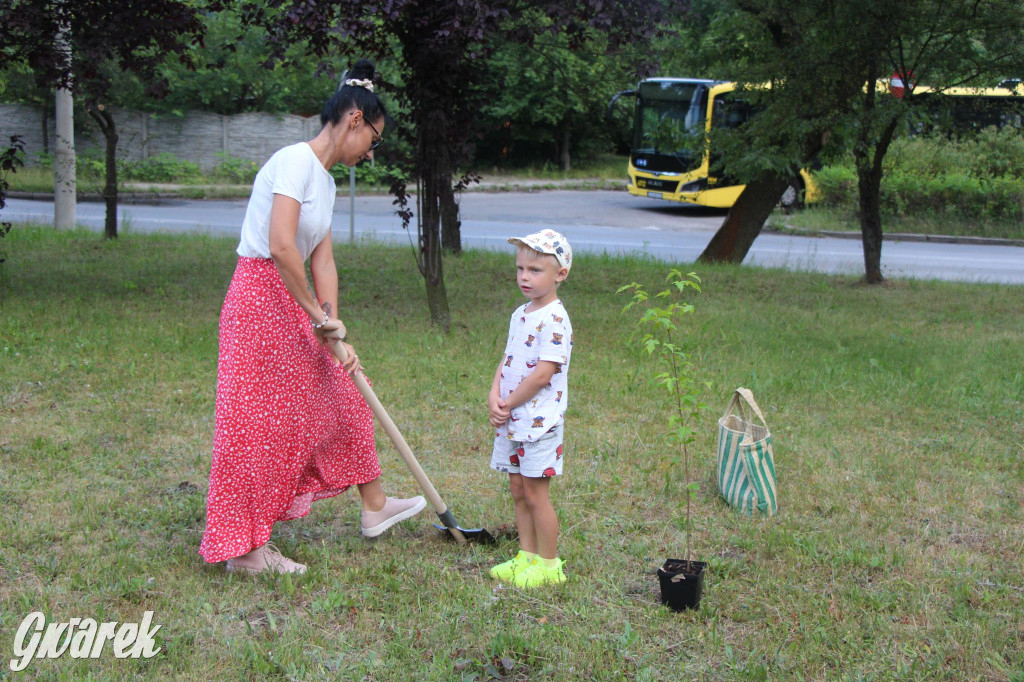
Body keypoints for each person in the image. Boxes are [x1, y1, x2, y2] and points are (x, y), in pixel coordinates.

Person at [199, 59, 425, 574]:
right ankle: (245, 552)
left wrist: (334, 328)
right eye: (374, 140)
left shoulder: (324, 182)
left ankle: (374, 506)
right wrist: (315, 317)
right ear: (354, 120)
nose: (371, 153)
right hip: (259, 299)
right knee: (256, 424)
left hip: (296, 301)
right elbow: (281, 246)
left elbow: (322, 260)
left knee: (346, 386)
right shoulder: (293, 162)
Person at [487, 229, 574, 587]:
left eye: (535, 270)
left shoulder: (554, 319)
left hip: (538, 423)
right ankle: (527, 556)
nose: (525, 276)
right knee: (518, 489)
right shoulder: (520, 313)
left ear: (560, 275)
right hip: (512, 419)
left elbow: (542, 375)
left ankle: (550, 566)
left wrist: (508, 402)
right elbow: (507, 359)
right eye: (521, 268)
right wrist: (494, 394)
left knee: (537, 495)